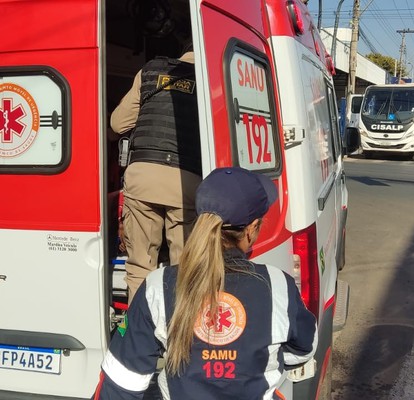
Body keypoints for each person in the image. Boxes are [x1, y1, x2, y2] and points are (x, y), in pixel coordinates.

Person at [94, 167, 318, 400]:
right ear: (251, 229)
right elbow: (304, 349)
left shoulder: (159, 285)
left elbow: (121, 383)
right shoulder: (277, 285)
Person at [111, 43, 202, 301]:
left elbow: (118, 124)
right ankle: (179, 332)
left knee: (140, 264)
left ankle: (142, 331)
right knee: (185, 268)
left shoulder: (149, 72)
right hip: (186, 182)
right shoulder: (210, 77)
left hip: (142, 177)